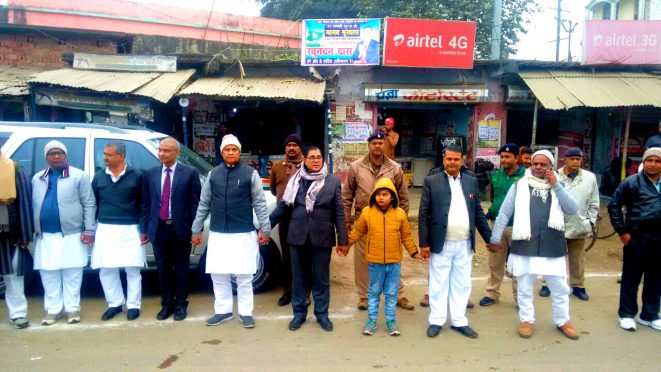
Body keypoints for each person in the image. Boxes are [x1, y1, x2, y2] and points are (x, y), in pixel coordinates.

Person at [489, 150, 580, 340]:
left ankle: (563, 321)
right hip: (525, 245)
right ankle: (526, 320)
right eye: (535, 164)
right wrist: (495, 238)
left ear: (551, 167)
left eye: (543, 164)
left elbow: (572, 209)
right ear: (530, 165)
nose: (538, 167)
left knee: (560, 287)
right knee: (524, 286)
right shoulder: (519, 186)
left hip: (552, 245)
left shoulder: (559, 185)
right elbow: (504, 213)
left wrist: (556, 185)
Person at [192, 134, 270, 328]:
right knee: (219, 274)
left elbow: (260, 203)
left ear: (239, 152)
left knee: (244, 276)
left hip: (243, 233)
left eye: (234, 149)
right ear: (222, 152)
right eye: (227, 149)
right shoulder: (213, 174)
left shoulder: (250, 174)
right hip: (219, 233)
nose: (230, 152)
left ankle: (246, 312)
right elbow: (204, 203)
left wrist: (265, 228)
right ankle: (223, 311)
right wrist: (196, 228)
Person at [270, 147, 347, 332]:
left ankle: (322, 314)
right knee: (298, 278)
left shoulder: (332, 181)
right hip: (297, 236)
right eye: (312, 157)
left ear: (323, 159)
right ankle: (299, 314)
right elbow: (283, 207)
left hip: (322, 236)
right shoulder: (296, 180)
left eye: (318, 157)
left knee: (321, 279)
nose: (315, 160)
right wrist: (265, 227)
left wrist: (343, 239)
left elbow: (339, 212)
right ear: (305, 160)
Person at [419, 146, 492, 338]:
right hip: (440, 243)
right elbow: (423, 214)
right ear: (443, 159)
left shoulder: (470, 181)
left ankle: (459, 321)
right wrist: (424, 243)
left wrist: (489, 239)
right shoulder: (431, 181)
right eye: (449, 159)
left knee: (461, 283)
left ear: (462, 160)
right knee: (438, 282)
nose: (452, 162)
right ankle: (436, 320)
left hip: (464, 243)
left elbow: (477, 212)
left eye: (456, 159)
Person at [339, 178, 420, 336]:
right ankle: (371, 321)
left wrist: (414, 252)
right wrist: (346, 244)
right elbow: (357, 231)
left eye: (385, 194)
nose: (381, 197)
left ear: (393, 196)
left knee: (391, 294)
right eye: (378, 194)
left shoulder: (400, 214)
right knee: (374, 293)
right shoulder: (367, 212)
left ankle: (390, 321)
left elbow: (406, 236)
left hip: (394, 263)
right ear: (374, 196)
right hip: (375, 263)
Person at [343, 131, 414, 311]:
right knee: (362, 259)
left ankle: (399, 295)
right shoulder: (356, 167)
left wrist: (401, 219)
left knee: (393, 259)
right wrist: (346, 219)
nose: (377, 146)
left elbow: (403, 197)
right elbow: (347, 195)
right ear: (369, 145)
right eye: (374, 143)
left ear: (385, 145)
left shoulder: (394, 168)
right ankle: (364, 296)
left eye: (380, 143)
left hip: (390, 220)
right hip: (363, 218)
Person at [32, 141, 96, 325]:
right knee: (48, 273)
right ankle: (53, 310)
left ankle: (72, 309)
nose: (56, 156)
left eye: (60, 153)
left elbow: (89, 203)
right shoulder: (38, 178)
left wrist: (89, 229)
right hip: (45, 235)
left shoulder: (78, 176)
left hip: (72, 234)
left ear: (66, 155)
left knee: (73, 272)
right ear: (46, 157)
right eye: (52, 153)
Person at [142, 138, 201, 321]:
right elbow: (146, 204)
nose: (161, 153)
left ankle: (181, 305)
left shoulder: (189, 173)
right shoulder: (150, 174)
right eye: (160, 150)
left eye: (166, 150)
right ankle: (166, 305)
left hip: (180, 228)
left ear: (177, 153)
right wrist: (144, 229)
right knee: (163, 269)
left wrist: (194, 229)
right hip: (159, 228)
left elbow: (194, 204)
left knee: (182, 269)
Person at [91, 141, 147, 321]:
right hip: (105, 227)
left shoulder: (137, 176)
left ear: (121, 156)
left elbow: (145, 205)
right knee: (106, 269)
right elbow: (93, 204)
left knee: (132, 269)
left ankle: (133, 305)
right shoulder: (99, 177)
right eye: (104, 154)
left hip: (131, 228)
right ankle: (114, 304)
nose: (105, 157)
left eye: (109, 154)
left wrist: (143, 229)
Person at [608, 147, 661, 332]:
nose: (653, 164)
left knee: (656, 279)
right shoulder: (631, 183)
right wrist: (622, 232)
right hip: (637, 238)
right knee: (631, 278)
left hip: (659, 240)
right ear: (643, 163)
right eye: (649, 160)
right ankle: (627, 314)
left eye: (657, 161)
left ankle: (650, 314)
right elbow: (614, 205)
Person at [539, 147, 599, 301]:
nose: (575, 162)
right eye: (571, 159)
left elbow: (594, 203)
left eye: (578, 159)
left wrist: (590, 221)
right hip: (555, 224)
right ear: (564, 160)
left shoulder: (589, 178)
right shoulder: (553, 176)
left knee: (577, 258)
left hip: (579, 223)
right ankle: (547, 284)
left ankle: (578, 286)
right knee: (551, 256)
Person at [480, 144, 525, 307]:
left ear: (516, 158)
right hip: (497, 225)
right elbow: (494, 197)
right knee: (495, 262)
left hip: (518, 226)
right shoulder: (495, 175)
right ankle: (492, 294)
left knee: (519, 264)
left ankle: (521, 298)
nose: (504, 160)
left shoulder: (526, 176)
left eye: (508, 157)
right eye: (502, 157)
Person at [269, 134, 306, 306]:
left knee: (304, 254)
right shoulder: (277, 167)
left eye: (295, 145)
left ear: (300, 148)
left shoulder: (308, 166)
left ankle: (305, 291)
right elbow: (273, 191)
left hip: (304, 217)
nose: (291, 148)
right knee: (286, 255)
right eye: (288, 145)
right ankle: (287, 290)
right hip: (284, 217)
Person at [0, 148, 34, 329]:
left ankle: (18, 313)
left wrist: (25, 234)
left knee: (12, 274)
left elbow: (26, 203)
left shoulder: (15, 170)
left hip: (8, 234)